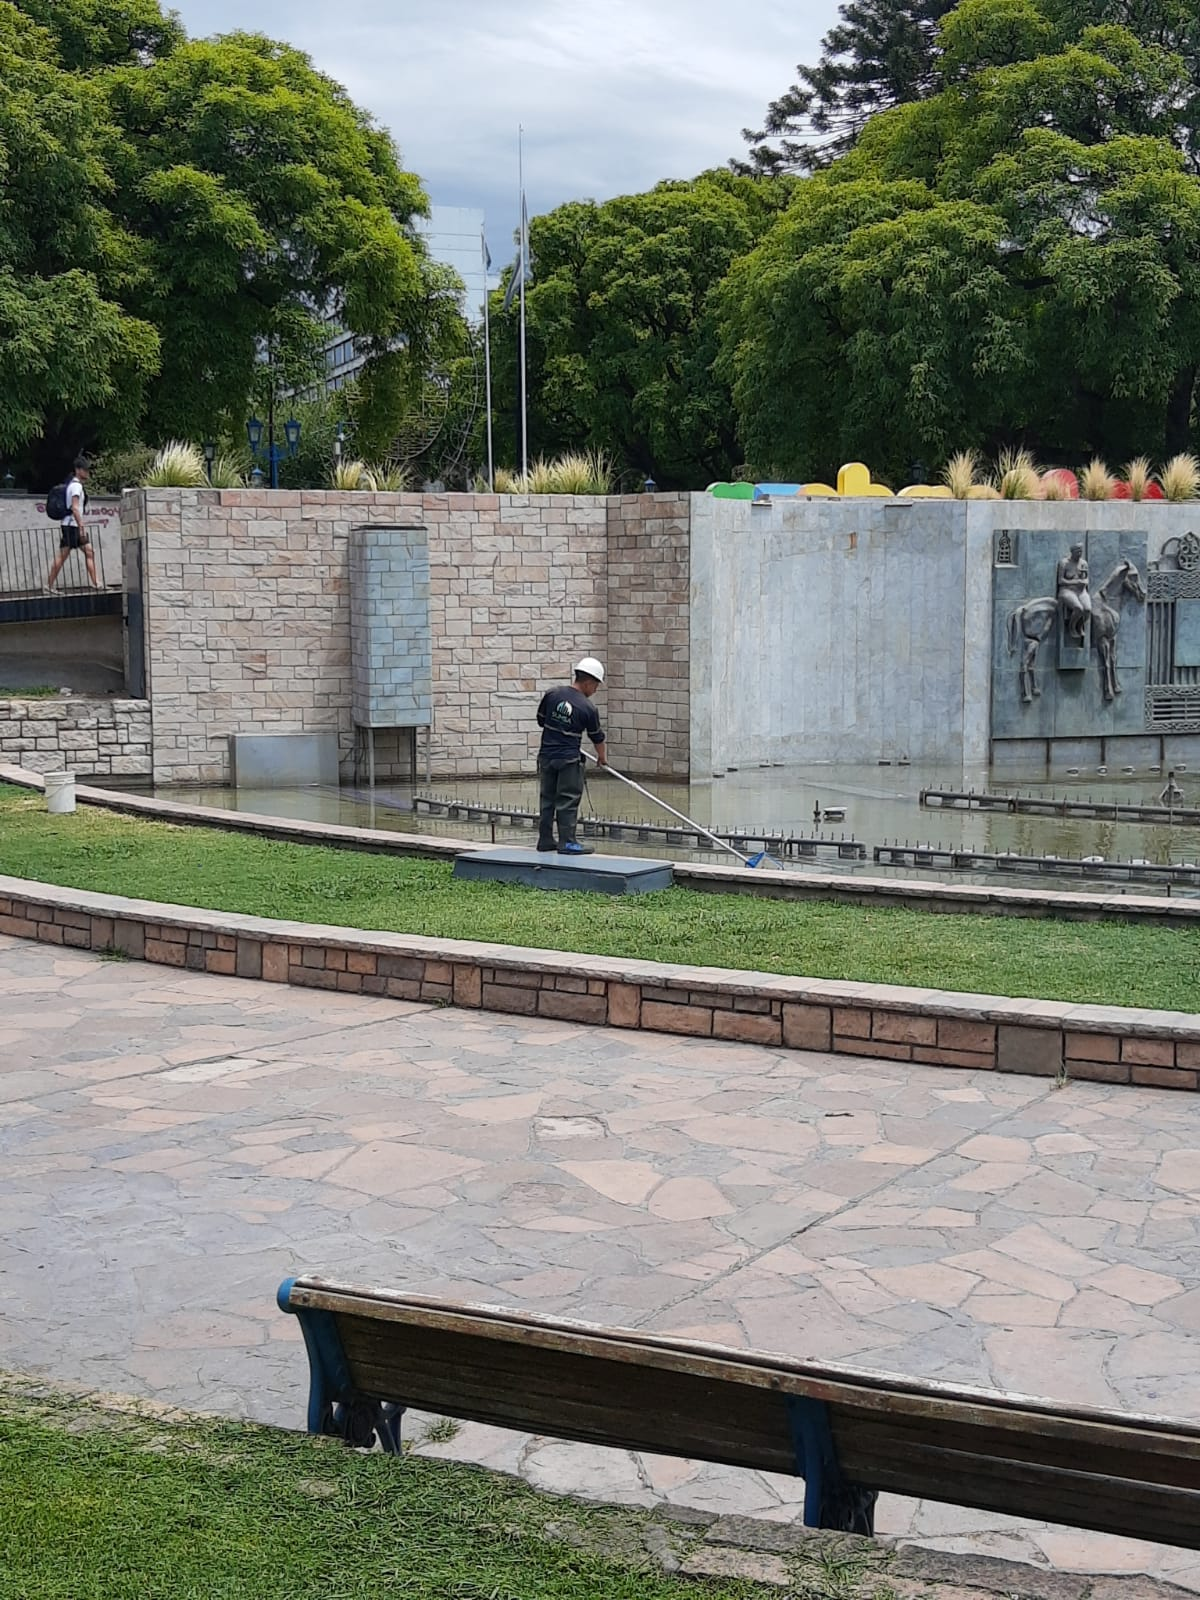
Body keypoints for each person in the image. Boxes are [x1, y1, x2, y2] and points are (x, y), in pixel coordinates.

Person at [536, 657, 608, 855]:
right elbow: (597, 737)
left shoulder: (552, 694)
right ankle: (567, 842)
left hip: (547, 756)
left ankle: (545, 840)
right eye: (596, 686)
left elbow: (541, 720)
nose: (595, 691)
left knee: (547, 799)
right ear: (588, 682)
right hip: (568, 760)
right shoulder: (587, 708)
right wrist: (602, 758)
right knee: (567, 800)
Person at [46, 456, 98, 593]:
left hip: (73, 525)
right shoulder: (75, 486)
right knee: (63, 555)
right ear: (78, 470)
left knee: (89, 551)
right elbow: (75, 507)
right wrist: (81, 526)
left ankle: (96, 583)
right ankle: (49, 586)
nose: (87, 473)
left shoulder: (75, 486)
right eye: (85, 470)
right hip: (71, 526)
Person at [1056, 542, 1091, 643]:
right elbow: (1061, 581)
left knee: (1087, 609)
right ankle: (1071, 627)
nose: (1079, 553)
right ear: (1072, 552)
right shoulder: (1064, 563)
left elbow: (1087, 579)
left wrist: (1083, 582)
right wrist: (1076, 581)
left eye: (1081, 551)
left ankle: (1079, 626)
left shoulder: (1084, 563)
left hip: (1081, 591)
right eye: (1077, 551)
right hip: (1067, 590)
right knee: (1078, 608)